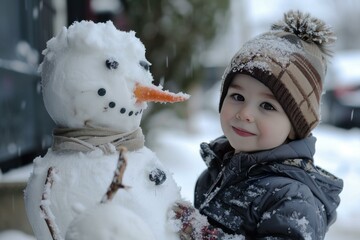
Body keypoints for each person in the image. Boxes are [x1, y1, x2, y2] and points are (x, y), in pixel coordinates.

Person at [171, 10, 343, 240]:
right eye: (238, 97)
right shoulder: (212, 175)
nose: (245, 113)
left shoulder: (291, 198)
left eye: (267, 106)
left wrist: (204, 236)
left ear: (295, 126)